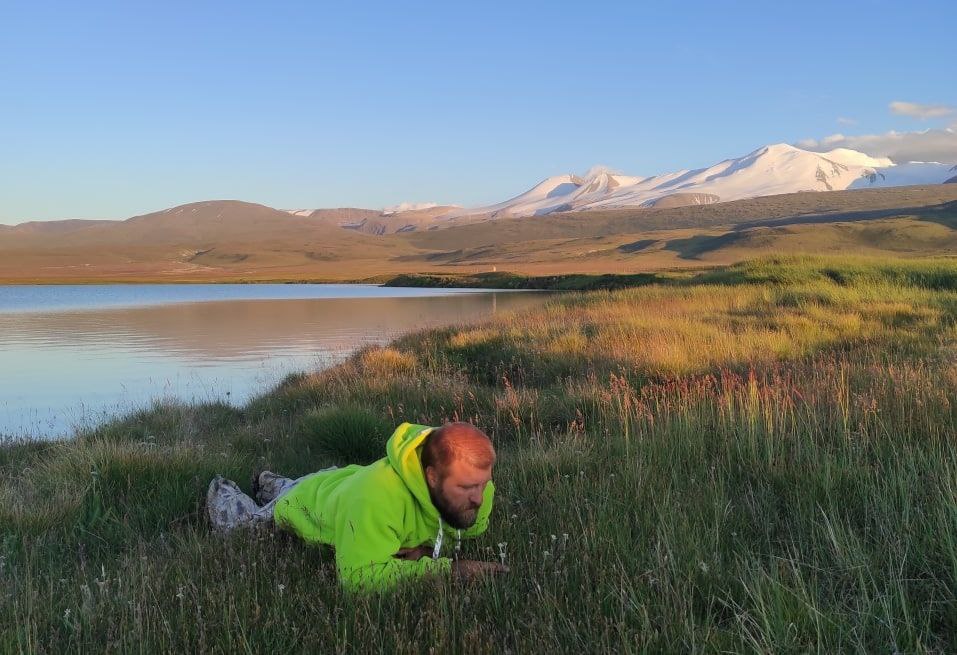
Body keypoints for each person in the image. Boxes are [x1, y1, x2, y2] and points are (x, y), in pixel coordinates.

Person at [206, 421, 507, 591]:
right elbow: (359, 578)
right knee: (239, 526)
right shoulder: (377, 497)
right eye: (467, 488)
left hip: (341, 481)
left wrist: (424, 552)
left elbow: (468, 527)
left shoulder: (478, 486)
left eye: (483, 484)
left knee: (309, 485)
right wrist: (453, 571)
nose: (479, 499)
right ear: (431, 476)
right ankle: (226, 486)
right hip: (310, 504)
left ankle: (270, 481)